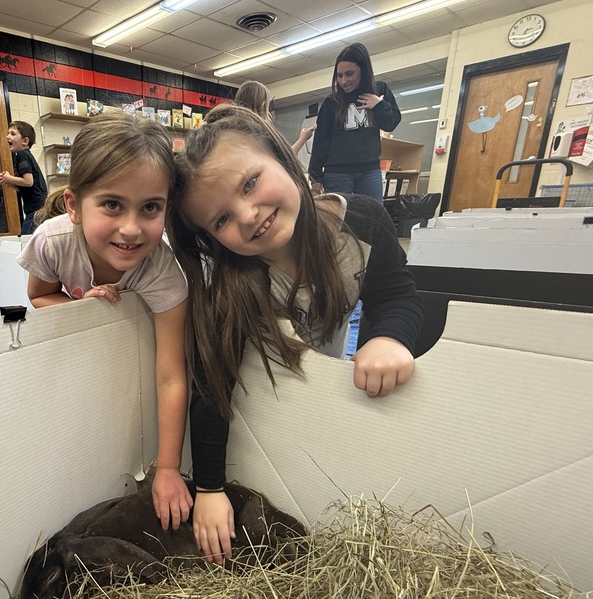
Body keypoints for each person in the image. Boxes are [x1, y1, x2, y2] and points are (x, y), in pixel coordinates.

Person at [167, 104, 422, 564]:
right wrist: (208, 487)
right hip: (271, 415)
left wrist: (388, 338)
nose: (247, 215)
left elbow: (398, 295)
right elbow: (212, 383)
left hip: (327, 390)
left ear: (284, 156)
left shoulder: (363, 223)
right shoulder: (231, 283)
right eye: (221, 220)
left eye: (250, 183)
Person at [16, 113, 192, 531]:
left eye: (150, 207)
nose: (131, 230)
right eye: (112, 204)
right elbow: (39, 295)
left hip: (122, 381)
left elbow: (171, 373)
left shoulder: (162, 268)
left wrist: (166, 468)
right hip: (71, 374)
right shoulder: (53, 242)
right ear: (75, 205)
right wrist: (83, 312)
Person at [307, 43, 401, 202]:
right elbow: (321, 140)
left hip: (369, 171)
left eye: (349, 74)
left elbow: (390, 123)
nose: (343, 81)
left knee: (373, 219)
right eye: (339, 75)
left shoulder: (380, 91)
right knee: (341, 221)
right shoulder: (332, 102)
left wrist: (378, 104)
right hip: (337, 173)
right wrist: (315, 175)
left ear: (363, 71)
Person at [234, 80, 314, 155]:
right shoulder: (259, 132)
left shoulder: (233, 129)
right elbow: (284, 158)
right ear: (262, 104)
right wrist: (303, 138)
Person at [0, 121, 47, 236]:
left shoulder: (22, 155)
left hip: (36, 210)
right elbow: (27, 187)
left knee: (26, 241)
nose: (8, 136)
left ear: (25, 141)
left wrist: (8, 177)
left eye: (13, 134)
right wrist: (9, 182)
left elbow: (28, 182)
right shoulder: (25, 155)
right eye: (8, 133)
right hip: (38, 209)